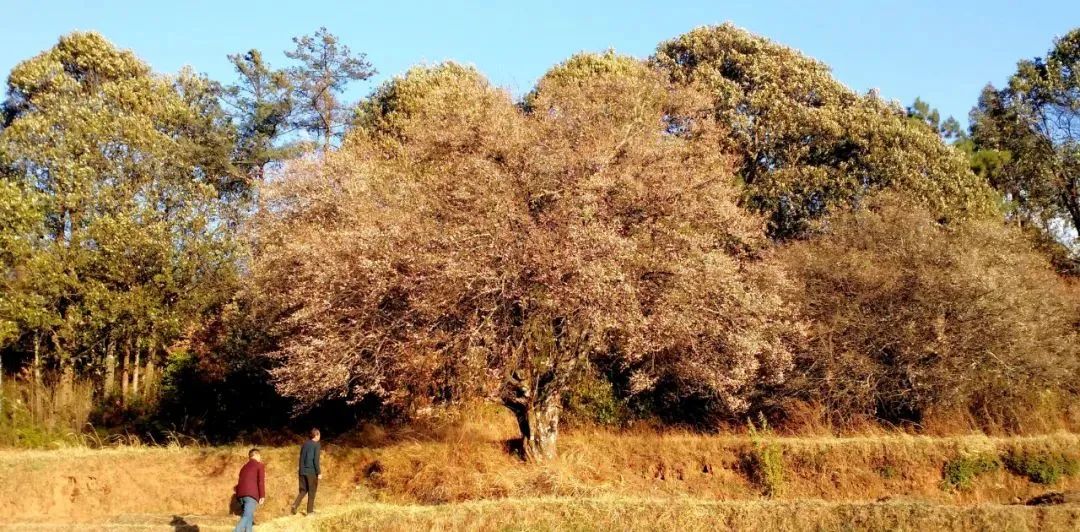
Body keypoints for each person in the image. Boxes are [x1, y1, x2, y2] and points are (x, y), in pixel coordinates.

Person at [290, 428, 322, 515]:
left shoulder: (305, 444)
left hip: (302, 471)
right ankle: (310, 511)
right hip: (311, 471)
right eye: (319, 434)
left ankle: (295, 505)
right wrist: (319, 472)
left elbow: (301, 457)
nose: (320, 436)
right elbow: (315, 460)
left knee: (303, 490)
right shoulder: (317, 445)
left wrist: (300, 470)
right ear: (316, 435)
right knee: (312, 491)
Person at [233, 448, 265, 532]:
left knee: (249, 518)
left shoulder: (243, 467)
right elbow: (260, 481)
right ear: (256, 455)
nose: (260, 458)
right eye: (260, 456)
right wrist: (262, 495)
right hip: (251, 495)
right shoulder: (259, 465)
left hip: (241, 496)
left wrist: (238, 497)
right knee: (246, 517)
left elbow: (239, 481)